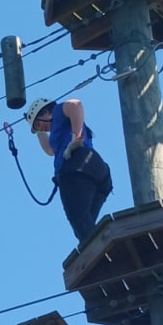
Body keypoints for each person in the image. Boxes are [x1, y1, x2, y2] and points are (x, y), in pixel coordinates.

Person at [25, 96, 113, 243]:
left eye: (40, 124)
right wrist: (38, 131)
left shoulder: (58, 111)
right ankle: (99, 247)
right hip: (97, 170)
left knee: (80, 221)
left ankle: (104, 256)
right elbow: (50, 150)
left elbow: (75, 105)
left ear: (46, 112)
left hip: (76, 167)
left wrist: (76, 138)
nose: (43, 129)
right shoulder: (57, 133)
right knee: (85, 226)